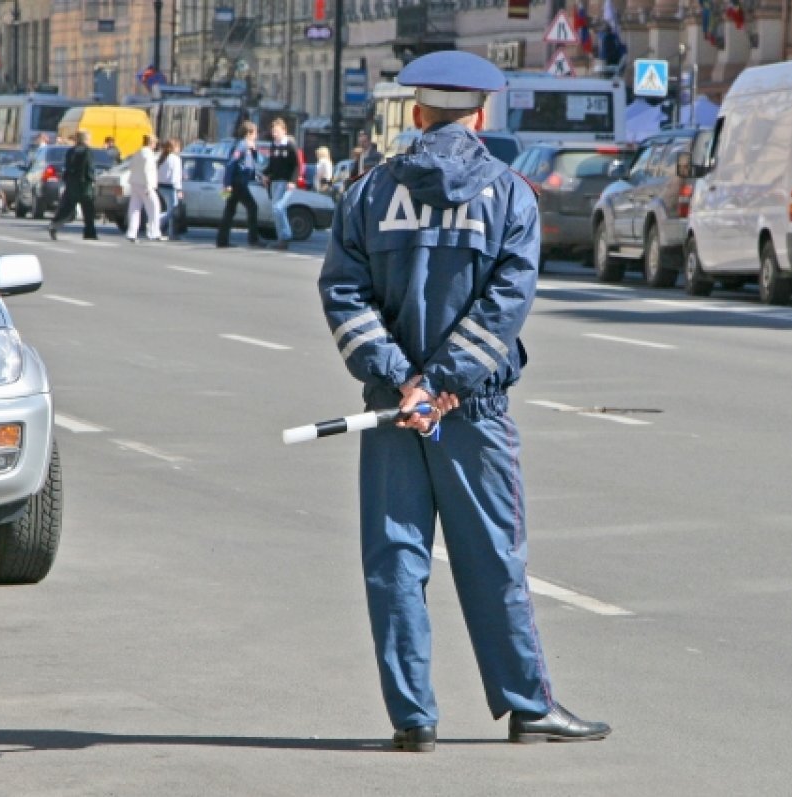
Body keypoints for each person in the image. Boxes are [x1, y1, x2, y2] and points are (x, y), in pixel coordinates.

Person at [318, 49, 610, 753]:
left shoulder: (367, 192)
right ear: (480, 115)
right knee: (493, 558)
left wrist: (402, 380)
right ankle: (525, 704)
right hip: (469, 409)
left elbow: (343, 292)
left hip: (392, 410)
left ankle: (412, 717)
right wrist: (445, 385)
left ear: (417, 115)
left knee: (394, 559)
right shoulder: (511, 195)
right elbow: (507, 302)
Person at [216, 121, 264, 248]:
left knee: (229, 210)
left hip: (238, 182)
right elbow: (231, 163)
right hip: (237, 183)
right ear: (249, 133)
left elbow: (254, 164)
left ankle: (222, 240)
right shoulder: (241, 145)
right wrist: (227, 184)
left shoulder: (247, 147)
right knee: (252, 207)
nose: (256, 136)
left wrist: (254, 151)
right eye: (255, 133)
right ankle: (253, 239)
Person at [47, 129, 98, 241]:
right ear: (85, 139)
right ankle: (90, 233)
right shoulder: (87, 151)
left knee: (67, 208)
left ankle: (54, 225)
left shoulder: (71, 151)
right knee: (88, 209)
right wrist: (92, 179)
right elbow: (89, 167)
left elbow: (68, 166)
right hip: (84, 184)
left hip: (71, 182)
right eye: (89, 138)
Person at [262, 118, 302, 251]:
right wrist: (265, 174)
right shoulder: (274, 145)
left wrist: (292, 181)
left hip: (286, 183)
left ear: (284, 131)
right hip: (275, 182)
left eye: (277, 131)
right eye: (273, 131)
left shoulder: (290, 145)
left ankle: (286, 235)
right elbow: (272, 165)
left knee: (278, 208)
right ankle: (281, 240)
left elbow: (297, 165)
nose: (275, 134)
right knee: (277, 210)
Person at [125, 134, 164, 242]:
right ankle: (154, 232)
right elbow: (147, 169)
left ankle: (131, 233)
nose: (155, 145)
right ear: (151, 143)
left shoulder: (138, 152)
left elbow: (131, 166)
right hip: (145, 185)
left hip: (135, 182)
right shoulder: (148, 154)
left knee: (134, 209)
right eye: (155, 143)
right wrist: (149, 185)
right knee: (154, 208)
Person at [156, 138, 184, 241]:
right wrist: (179, 189)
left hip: (161, 186)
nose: (179, 149)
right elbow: (176, 176)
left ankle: (171, 232)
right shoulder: (176, 159)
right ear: (174, 147)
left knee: (170, 209)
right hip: (171, 186)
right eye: (178, 147)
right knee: (172, 210)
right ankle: (156, 221)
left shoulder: (163, 157)